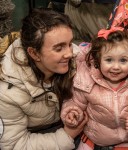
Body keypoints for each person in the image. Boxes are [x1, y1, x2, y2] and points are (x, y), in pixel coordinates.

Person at [0, 8, 88, 150]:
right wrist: (67, 135)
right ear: (34, 53)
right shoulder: (7, 91)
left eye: (70, 43)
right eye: (59, 48)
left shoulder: (75, 58)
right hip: (38, 135)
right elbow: (14, 145)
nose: (69, 53)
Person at [61, 27, 128, 150]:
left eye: (123, 60)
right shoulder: (86, 82)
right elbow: (74, 102)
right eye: (109, 60)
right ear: (98, 60)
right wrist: (72, 113)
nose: (116, 67)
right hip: (94, 137)